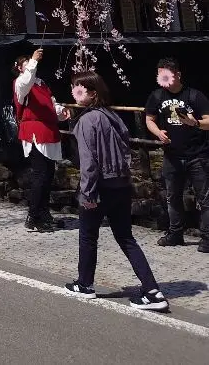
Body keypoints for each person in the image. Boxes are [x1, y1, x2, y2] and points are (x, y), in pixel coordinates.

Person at [66, 71, 169, 312]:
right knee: (126, 238)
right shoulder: (112, 116)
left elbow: (89, 162)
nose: (75, 93)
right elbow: (126, 147)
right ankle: (152, 290)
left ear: (92, 93)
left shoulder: (86, 121)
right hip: (121, 184)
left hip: (99, 186)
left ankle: (85, 284)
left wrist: (87, 193)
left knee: (88, 236)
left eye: (79, 90)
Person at [144, 57, 209, 252]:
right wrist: (157, 132)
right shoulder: (156, 96)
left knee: (204, 197)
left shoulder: (195, 96)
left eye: (167, 74)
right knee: (173, 196)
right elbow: (149, 119)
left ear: (177, 74)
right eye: (160, 74)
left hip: (197, 154)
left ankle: (206, 237)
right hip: (171, 154)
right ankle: (175, 233)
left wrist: (195, 123)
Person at [13, 47, 70, 233]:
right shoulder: (21, 84)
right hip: (35, 131)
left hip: (49, 129)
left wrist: (61, 111)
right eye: (26, 64)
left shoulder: (41, 84)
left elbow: (51, 103)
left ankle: (43, 212)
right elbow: (26, 80)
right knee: (40, 175)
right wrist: (34, 61)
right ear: (21, 68)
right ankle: (33, 214)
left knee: (49, 174)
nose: (30, 65)